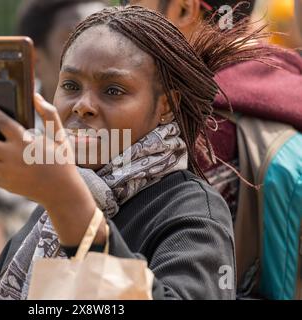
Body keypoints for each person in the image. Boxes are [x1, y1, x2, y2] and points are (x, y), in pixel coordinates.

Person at [0, 6, 272, 300]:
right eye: (71, 85)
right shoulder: (47, 213)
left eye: (113, 90)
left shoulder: (193, 211)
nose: (82, 105)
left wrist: (67, 201)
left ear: (165, 106)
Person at [129, 0, 302, 295]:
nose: (121, 15)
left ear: (183, 10)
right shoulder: (286, 83)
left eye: (130, 3)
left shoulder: (190, 129)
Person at [0, 0, 108, 282]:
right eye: (74, 36)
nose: (95, 49)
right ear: (35, 60)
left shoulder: (129, 138)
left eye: (102, 34)